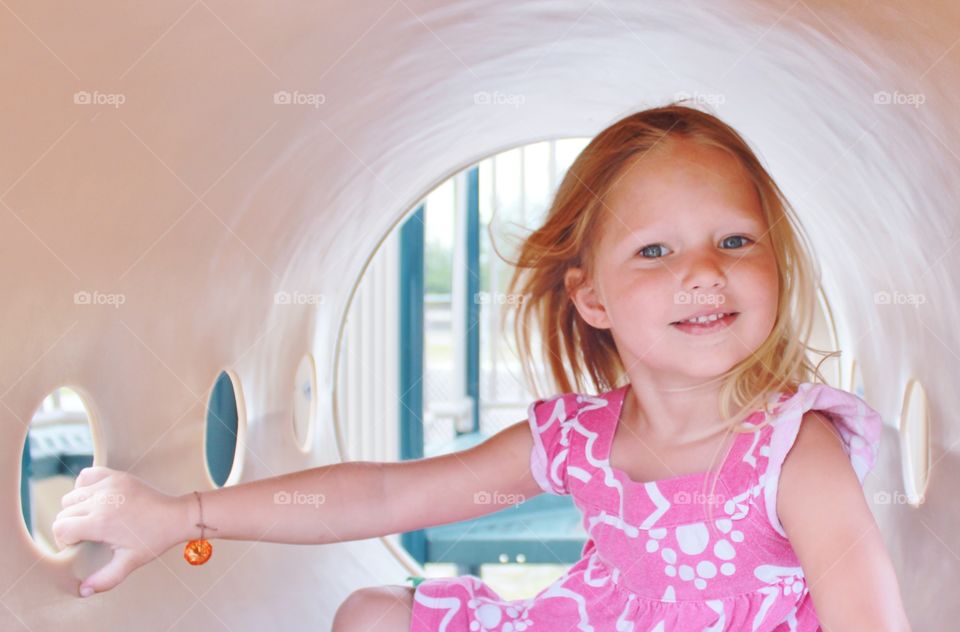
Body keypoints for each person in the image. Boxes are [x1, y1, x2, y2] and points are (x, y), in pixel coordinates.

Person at [52, 103, 912, 631]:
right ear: (592, 298)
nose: (703, 272)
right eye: (655, 250)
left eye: (735, 240)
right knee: (370, 615)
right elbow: (384, 497)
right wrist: (185, 514)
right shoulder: (580, 440)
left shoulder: (793, 450)